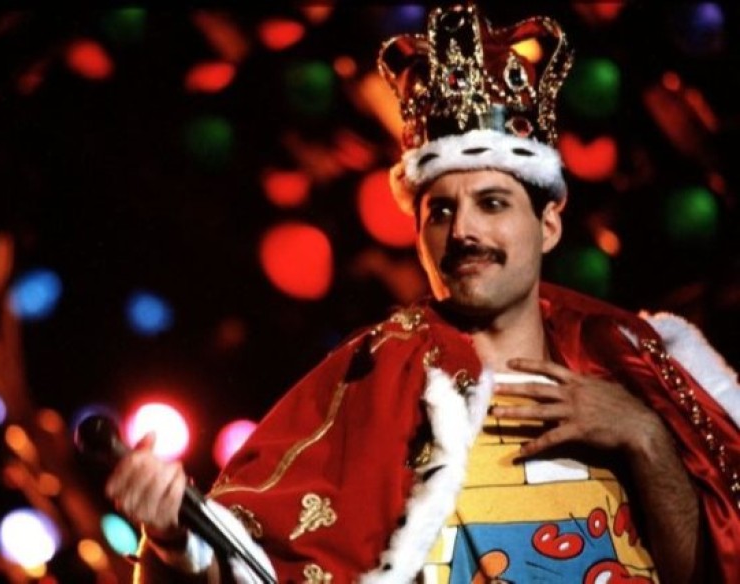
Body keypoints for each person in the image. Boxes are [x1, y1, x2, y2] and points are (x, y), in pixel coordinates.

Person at [106, 3, 740, 582]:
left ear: (549, 224)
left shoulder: (636, 370)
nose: (463, 230)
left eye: (492, 203)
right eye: (440, 210)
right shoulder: (367, 387)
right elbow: (256, 563)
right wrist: (174, 536)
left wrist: (645, 438)